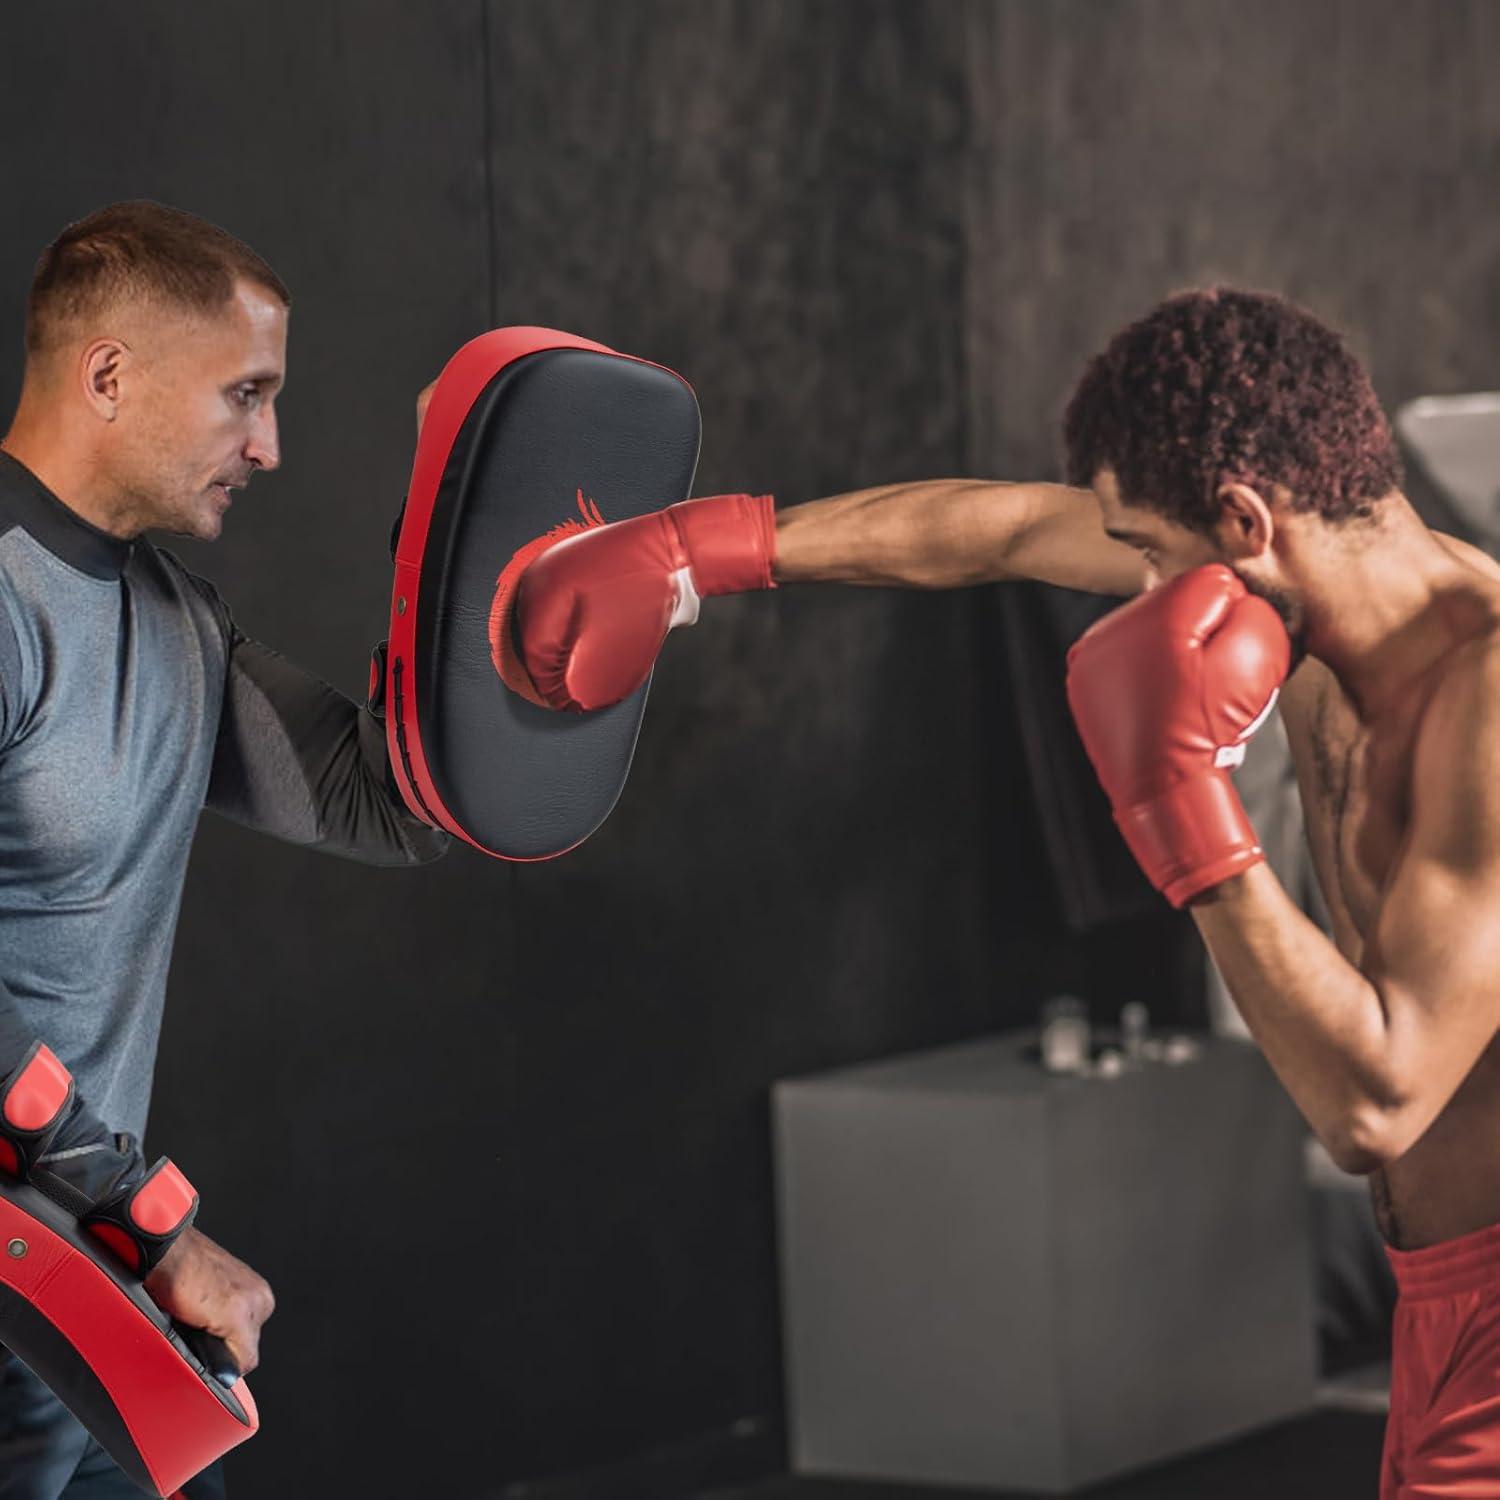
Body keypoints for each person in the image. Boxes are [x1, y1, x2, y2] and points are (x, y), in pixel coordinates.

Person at [508, 288, 1500, 1497]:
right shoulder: (1289, 592)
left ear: (1245, 518)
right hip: (1440, 1309)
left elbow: (1378, 1107)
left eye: (1144, 552)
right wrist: (698, 552)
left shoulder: (1483, 704)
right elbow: (998, 532)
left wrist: (1184, 803)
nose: (1135, 583)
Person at [0, 200, 447, 1498]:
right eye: (245, 395)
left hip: (80, 1317)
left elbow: (387, 804)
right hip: (67, 1263)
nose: (270, 443)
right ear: (107, 374)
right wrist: (157, 1225)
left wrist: (481, 579)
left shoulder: (177, 626)